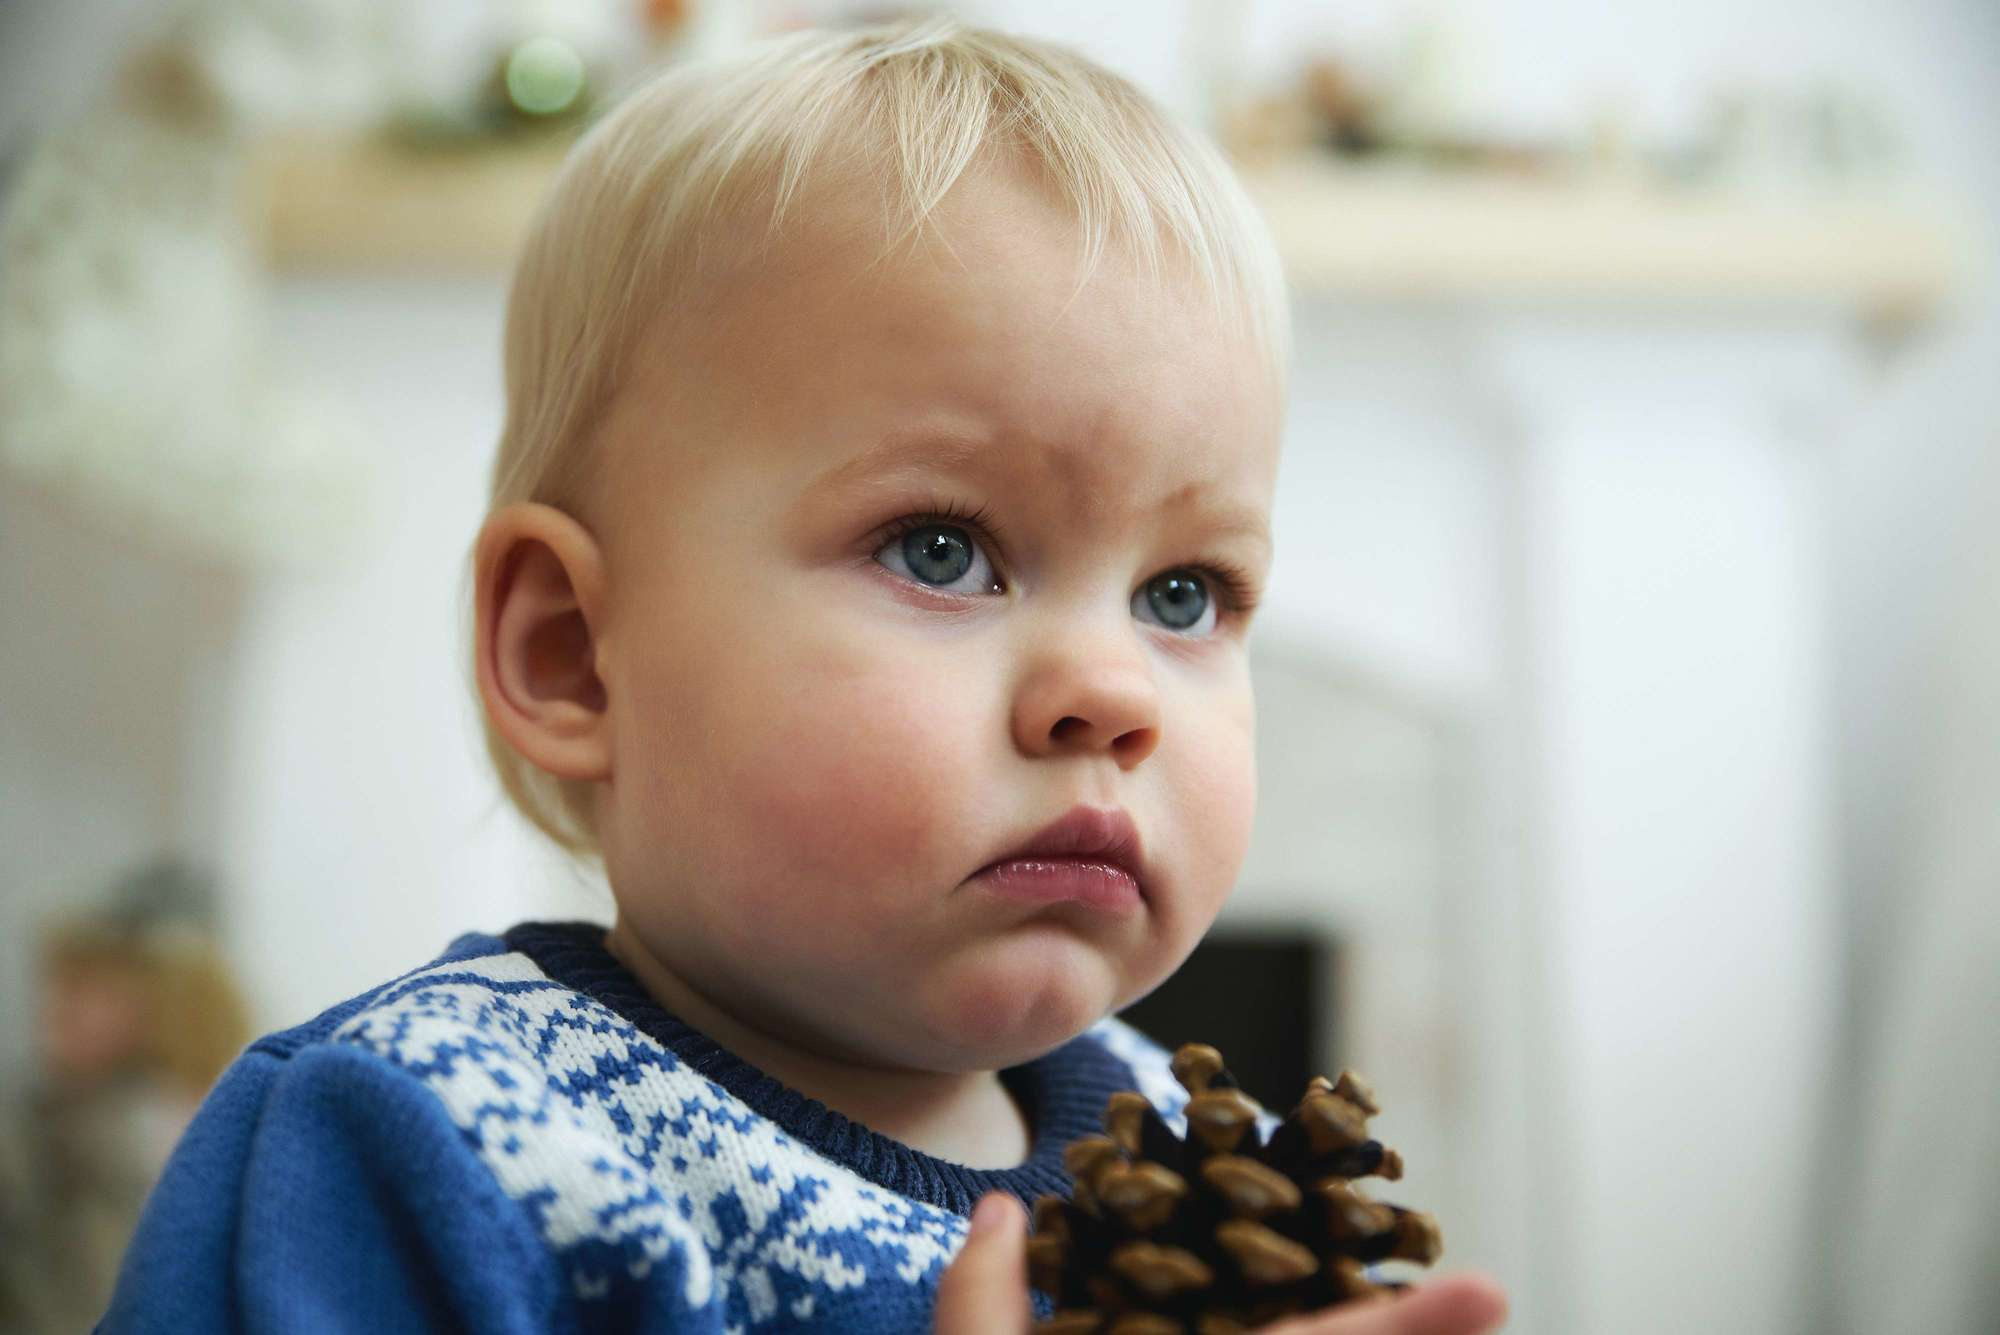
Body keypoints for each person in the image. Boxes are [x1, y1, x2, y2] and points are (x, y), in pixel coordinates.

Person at [100, 20, 1506, 1333]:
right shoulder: (424, 1133)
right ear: (573, 653)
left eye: (1184, 594)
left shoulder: (1206, 1176)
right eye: (944, 550)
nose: (1114, 693)